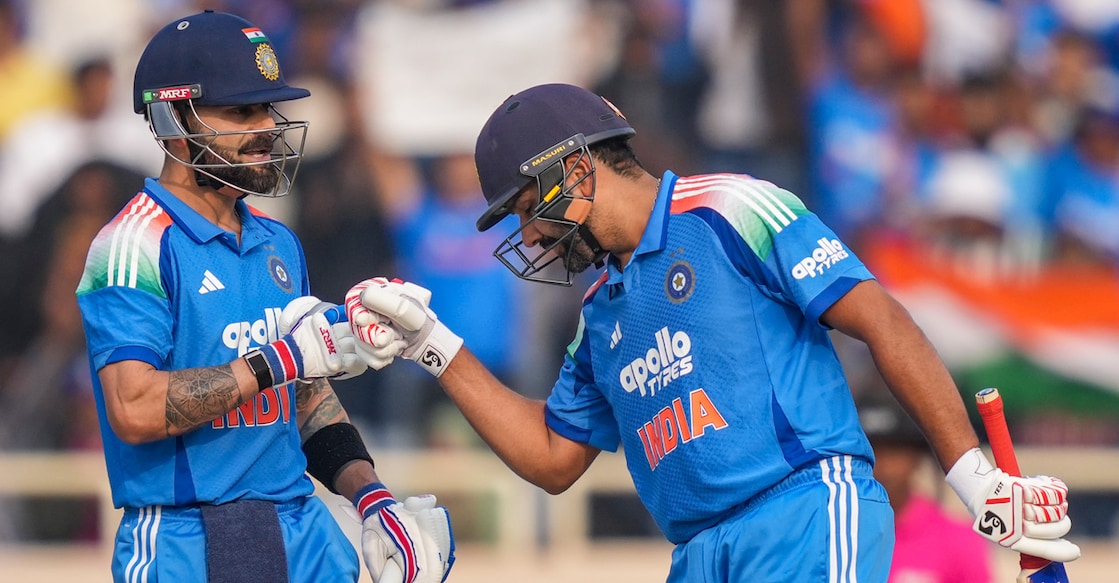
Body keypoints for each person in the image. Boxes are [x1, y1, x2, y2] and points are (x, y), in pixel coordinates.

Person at [344, 83, 1081, 582]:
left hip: (803, 512)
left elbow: (879, 318)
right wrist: (431, 343)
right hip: (698, 552)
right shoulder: (598, 313)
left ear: (575, 168)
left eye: (526, 205)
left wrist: (970, 472)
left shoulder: (731, 208)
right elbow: (551, 458)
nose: (529, 234)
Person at [74, 11, 452, 583]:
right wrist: (281, 359)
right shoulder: (132, 245)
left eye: (268, 109)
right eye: (242, 111)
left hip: (302, 530)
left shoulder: (278, 240)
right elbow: (135, 408)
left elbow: (306, 397)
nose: (268, 127)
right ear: (174, 118)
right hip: (185, 540)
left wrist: (372, 498)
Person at [858, 396, 992, 582]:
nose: (882, 465)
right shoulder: (827, 533)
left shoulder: (957, 540)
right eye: (870, 451)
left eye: (895, 450)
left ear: (916, 457)